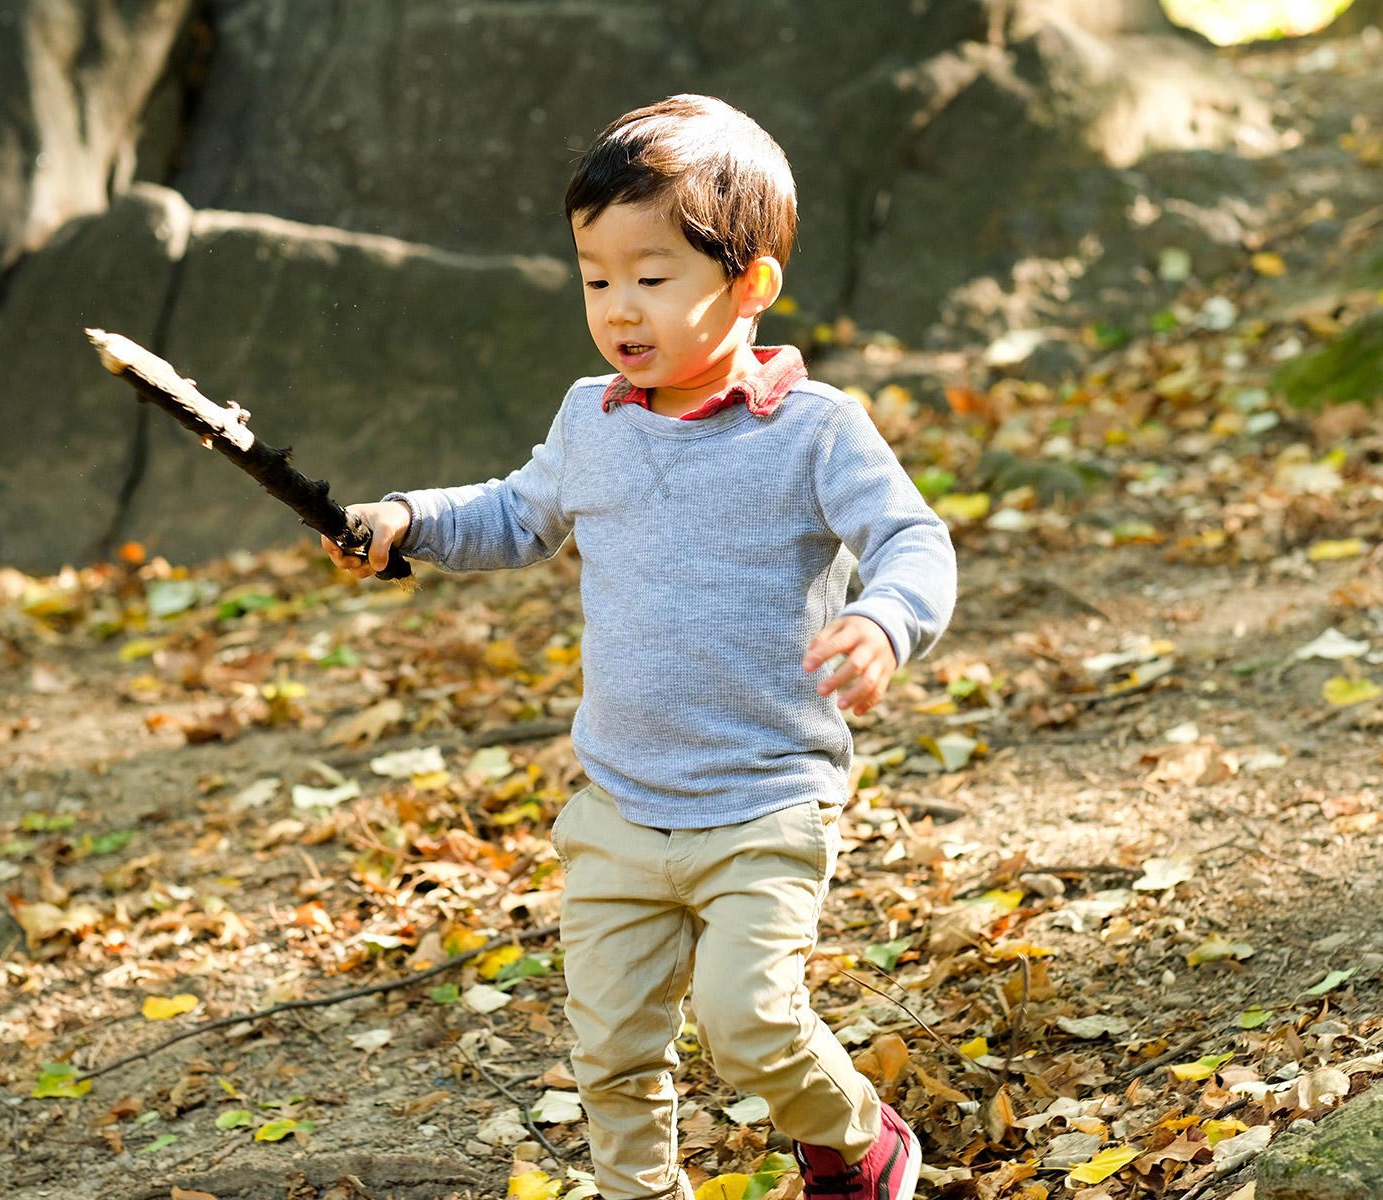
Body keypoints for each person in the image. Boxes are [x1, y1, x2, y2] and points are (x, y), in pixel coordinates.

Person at [324, 94, 955, 1200]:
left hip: (763, 798)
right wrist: (410, 518)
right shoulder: (593, 420)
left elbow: (913, 538)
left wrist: (884, 620)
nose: (619, 306)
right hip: (618, 806)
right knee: (610, 1055)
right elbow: (515, 514)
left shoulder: (812, 429)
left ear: (749, 283)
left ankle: (858, 1141)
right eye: (595, 277)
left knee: (750, 1023)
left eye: (652, 277)